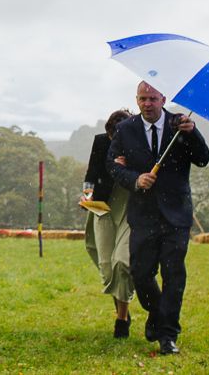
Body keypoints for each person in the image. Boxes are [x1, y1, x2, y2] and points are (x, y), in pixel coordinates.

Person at [106, 82, 209, 356]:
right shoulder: (126, 129)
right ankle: (156, 313)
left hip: (176, 214)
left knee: (174, 274)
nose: (147, 104)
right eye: (142, 99)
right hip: (142, 214)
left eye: (152, 98)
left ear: (163, 99)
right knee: (141, 273)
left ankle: (168, 335)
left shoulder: (181, 125)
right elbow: (112, 165)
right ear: (136, 100)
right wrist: (136, 179)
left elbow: (202, 159)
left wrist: (193, 134)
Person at [83, 109, 134, 338]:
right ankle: (121, 308)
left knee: (121, 262)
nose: (115, 142)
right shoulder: (101, 142)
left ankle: (121, 320)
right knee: (106, 264)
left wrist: (126, 168)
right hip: (102, 204)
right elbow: (91, 175)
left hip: (129, 205)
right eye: (112, 138)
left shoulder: (139, 143)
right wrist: (87, 194)